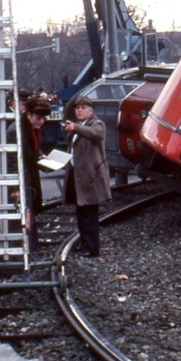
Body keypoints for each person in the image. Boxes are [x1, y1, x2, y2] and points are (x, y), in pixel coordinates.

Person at [63, 95, 110, 258]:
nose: (79, 110)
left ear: (91, 111)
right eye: (77, 108)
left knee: (90, 214)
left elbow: (95, 135)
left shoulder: (97, 124)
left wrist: (75, 127)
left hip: (91, 177)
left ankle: (92, 248)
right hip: (79, 178)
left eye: (83, 108)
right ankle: (84, 244)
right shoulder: (78, 126)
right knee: (81, 213)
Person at [8, 96, 51, 253]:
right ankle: (23, 246)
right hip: (20, 177)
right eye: (39, 118)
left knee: (27, 210)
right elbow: (12, 161)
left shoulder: (28, 129)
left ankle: (31, 244)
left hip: (27, 175)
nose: (42, 122)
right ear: (29, 115)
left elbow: (30, 149)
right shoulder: (16, 132)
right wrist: (15, 187)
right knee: (22, 210)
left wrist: (39, 154)